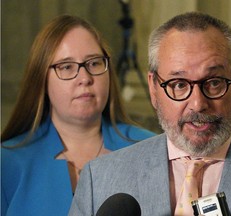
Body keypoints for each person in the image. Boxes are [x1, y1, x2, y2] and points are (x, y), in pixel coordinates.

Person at [69, 12, 231, 216]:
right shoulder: (99, 180)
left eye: (213, 83)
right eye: (179, 84)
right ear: (153, 89)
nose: (197, 104)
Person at [1, 15, 156, 216]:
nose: (85, 78)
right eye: (66, 67)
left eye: (94, 63)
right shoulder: (6, 163)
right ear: (42, 80)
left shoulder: (151, 151)